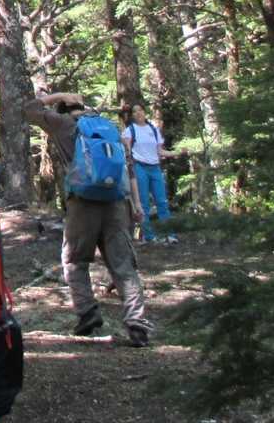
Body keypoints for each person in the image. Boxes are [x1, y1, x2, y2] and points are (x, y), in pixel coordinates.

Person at [23, 91, 153, 347]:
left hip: (82, 202)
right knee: (123, 264)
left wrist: (56, 95)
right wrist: (136, 203)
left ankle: (87, 313)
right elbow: (128, 167)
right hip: (116, 203)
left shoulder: (64, 124)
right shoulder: (109, 128)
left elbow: (29, 109)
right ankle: (137, 322)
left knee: (74, 259)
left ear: (61, 109)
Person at [122, 103, 178, 243]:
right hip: (139, 166)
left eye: (140, 110)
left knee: (162, 201)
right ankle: (149, 236)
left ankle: (169, 234)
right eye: (135, 111)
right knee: (143, 203)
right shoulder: (130, 131)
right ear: (132, 115)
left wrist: (178, 152)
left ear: (144, 112)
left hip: (155, 167)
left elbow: (160, 151)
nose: (138, 113)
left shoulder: (153, 129)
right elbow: (127, 152)